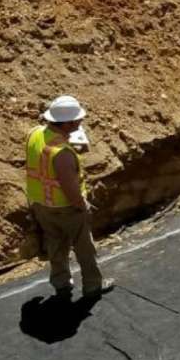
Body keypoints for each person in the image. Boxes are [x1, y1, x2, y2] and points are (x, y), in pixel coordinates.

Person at [24, 95, 113, 299]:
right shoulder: (62, 153)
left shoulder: (34, 133)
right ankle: (92, 285)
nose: (81, 122)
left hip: (41, 204)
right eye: (77, 119)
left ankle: (61, 282)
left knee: (55, 243)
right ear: (68, 123)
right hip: (65, 208)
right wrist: (82, 206)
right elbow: (69, 188)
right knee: (84, 248)